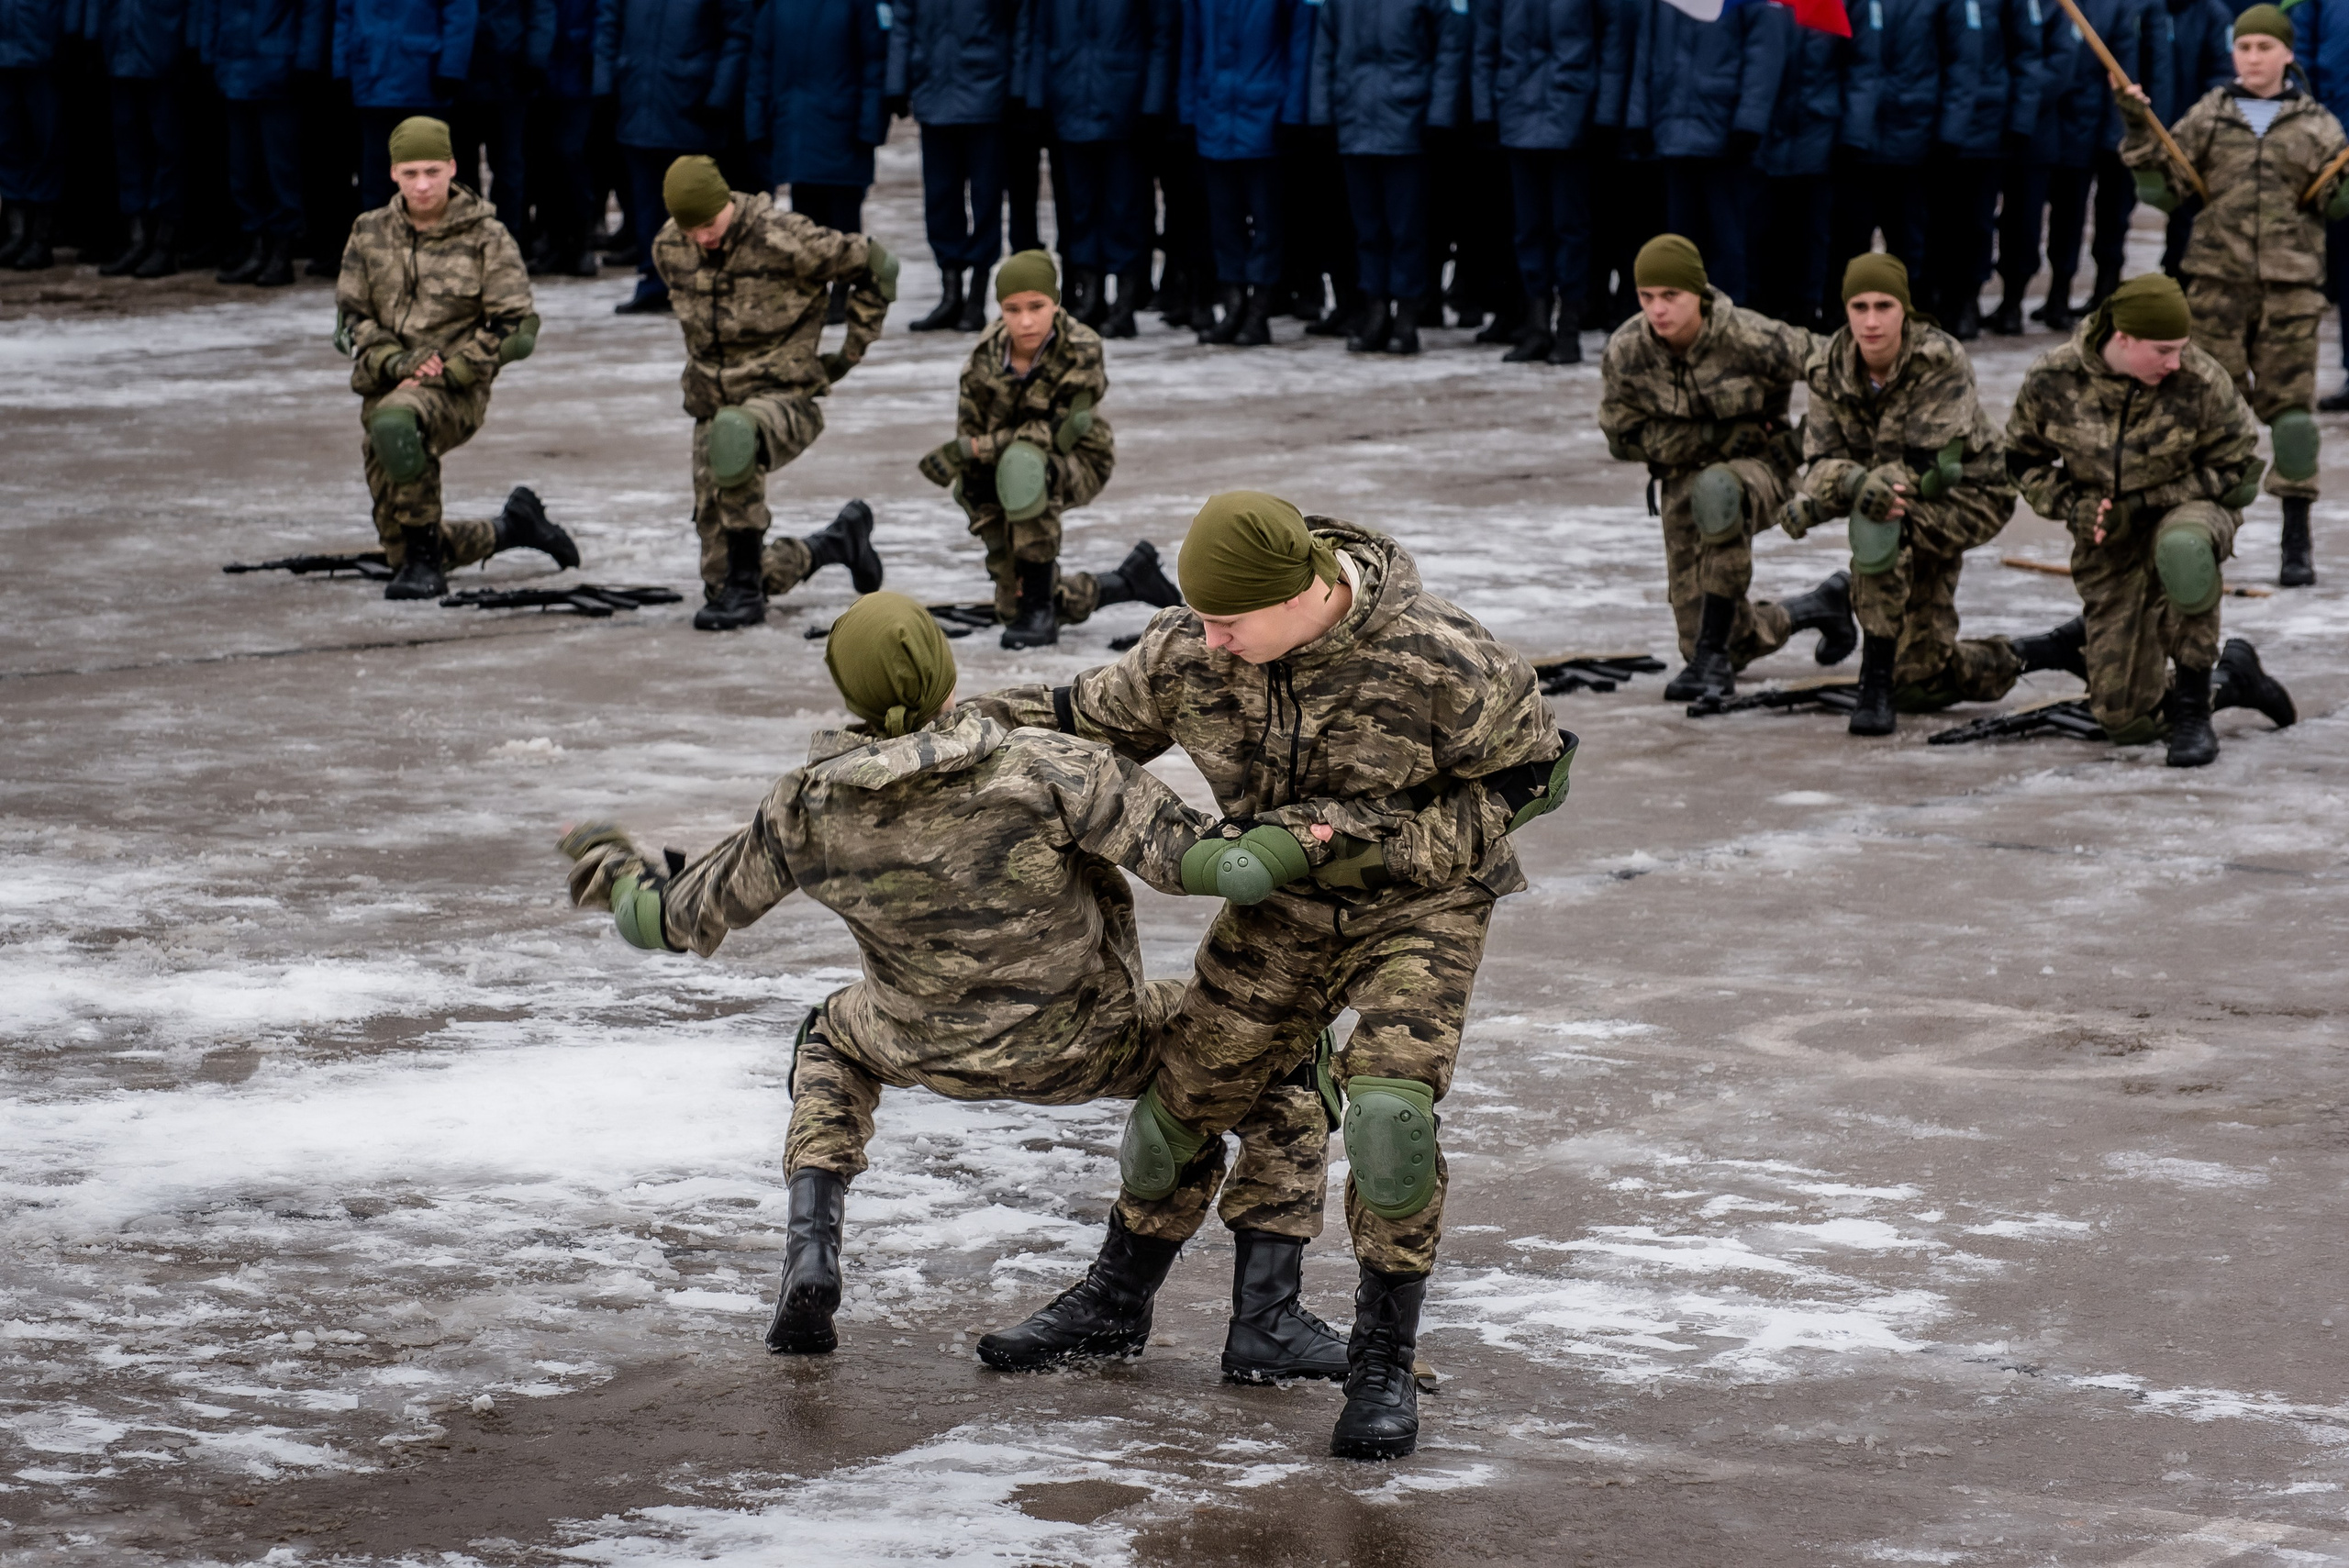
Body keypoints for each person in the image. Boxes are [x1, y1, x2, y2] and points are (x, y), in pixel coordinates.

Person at [557, 590, 1356, 1373]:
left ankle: (812, 1256)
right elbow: (1204, 863)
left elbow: (669, 920)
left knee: (831, 1041)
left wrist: (616, 866)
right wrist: (1325, 835)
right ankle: (1265, 1313)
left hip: (916, 1041)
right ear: (945, 678)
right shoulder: (1048, 768)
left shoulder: (805, 806)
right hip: (1092, 1043)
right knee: (1279, 1043)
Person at [964, 493, 1576, 1462]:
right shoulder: (1186, 651)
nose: (1206, 642)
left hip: (1421, 903)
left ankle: (1381, 1355)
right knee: (1178, 1107)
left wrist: (1388, 846)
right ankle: (1117, 1302)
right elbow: (1076, 716)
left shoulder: (1446, 655)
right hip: (1277, 907)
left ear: (1303, 594)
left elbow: (1534, 775)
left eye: (1227, 622)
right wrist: (925, 732)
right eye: (1197, 617)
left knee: (1388, 1115)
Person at [2005, 272, 2299, 765]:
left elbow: (2237, 470)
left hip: (2193, 511)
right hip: (2110, 537)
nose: (2175, 361)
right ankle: (2235, 679)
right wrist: (2074, 508)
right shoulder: (2054, 378)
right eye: (2163, 349)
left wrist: (2143, 504)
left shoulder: (2200, 379)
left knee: (2183, 550)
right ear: (2123, 338)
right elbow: (2020, 460)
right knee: (2126, 722)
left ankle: (2192, 710)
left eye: (2180, 348)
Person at [1783, 254, 2082, 735]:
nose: (1872, 320)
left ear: (1905, 310)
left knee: (1878, 519)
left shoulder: (1938, 358)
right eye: (1859, 306)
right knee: (1921, 681)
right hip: (1896, 497)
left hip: (1969, 495)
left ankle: (1874, 681)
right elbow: (1819, 461)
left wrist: (1851, 488)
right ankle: (2048, 650)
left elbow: (1929, 465)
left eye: (1885, 305)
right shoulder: (1827, 369)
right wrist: (1850, 484)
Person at [2121, 2, 2347, 587]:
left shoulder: (2319, 126)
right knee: (2207, 411)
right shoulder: (2209, 116)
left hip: (2291, 287)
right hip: (2216, 282)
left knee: (2292, 416)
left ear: (2287, 55)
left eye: (2264, 48)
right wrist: (2136, 125)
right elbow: (2163, 191)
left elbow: (2338, 206)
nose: (2252, 58)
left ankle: (2296, 540)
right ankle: (2202, 531)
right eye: (2244, 48)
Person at [1598, 234, 1855, 702]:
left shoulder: (1750, 336)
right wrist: (1707, 439)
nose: (1658, 310)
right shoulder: (1628, 350)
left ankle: (1713, 659)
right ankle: (1819, 605)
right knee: (1704, 639)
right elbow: (1622, 437)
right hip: (1681, 478)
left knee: (1719, 492)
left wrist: (1799, 444)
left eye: (1671, 296)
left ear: (1698, 292)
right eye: (1647, 297)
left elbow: (1839, 367)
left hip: (1761, 470)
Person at [334, 116, 581, 599]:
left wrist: (452, 369)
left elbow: (518, 328)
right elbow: (349, 320)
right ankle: (513, 528)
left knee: (397, 423)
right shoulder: (369, 232)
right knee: (397, 546)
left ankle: (428, 565)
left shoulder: (485, 236)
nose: (422, 185)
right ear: (392, 175)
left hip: (455, 389)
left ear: (452, 167)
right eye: (410, 174)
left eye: (431, 171)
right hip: (387, 382)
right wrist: (395, 362)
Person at [648, 155, 891, 631]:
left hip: (785, 396)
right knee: (722, 578)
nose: (702, 237)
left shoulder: (783, 237)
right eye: (690, 228)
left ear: (727, 205)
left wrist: (849, 352)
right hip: (713, 405)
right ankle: (835, 543)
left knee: (735, 433)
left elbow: (880, 264)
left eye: (709, 224)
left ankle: (745, 592)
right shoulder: (669, 248)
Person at [916, 250, 1182, 649]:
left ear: (1055, 302)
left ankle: (1041, 606)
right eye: (1013, 309)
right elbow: (970, 449)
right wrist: (1001, 556)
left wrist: (974, 448)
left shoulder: (1081, 347)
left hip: (1078, 458)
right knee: (1011, 603)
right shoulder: (981, 361)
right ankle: (1124, 581)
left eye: (1037, 306)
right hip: (1008, 466)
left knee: (1023, 467)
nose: (1025, 321)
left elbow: (1058, 433)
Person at [1309, 0, 1468, 355]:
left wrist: (1440, 115)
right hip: (1355, 121)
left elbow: (1449, 49)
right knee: (1368, 230)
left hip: (1408, 123)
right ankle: (1376, 311)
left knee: (1406, 230)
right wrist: (1320, 113)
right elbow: (1324, 52)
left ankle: (1406, 317)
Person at [1472, 0, 1620, 362]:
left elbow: (1613, 43)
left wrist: (1605, 113)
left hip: (1572, 113)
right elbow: (1485, 45)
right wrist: (1485, 111)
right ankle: (1536, 327)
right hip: (1518, 111)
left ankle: (1568, 328)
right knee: (1529, 228)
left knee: (1571, 228)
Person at [1626, 0, 1787, 310]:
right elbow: (1645, 50)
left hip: (1725, 134)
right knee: (1681, 241)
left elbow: (1762, 54)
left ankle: (1729, 321)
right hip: (1673, 129)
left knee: (1728, 239)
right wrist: (1638, 118)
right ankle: (1684, 322)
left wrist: (1748, 122)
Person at [1030, 0, 1175, 338]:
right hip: (1069, 104)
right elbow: (1041, 37)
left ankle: (1124, 303)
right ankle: (1089, 296)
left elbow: (1161, 39)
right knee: (1080, 210)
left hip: (1124, 108)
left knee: (1124, 210)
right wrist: (1035, 100)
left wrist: (1153, 104)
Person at [595, 0, 747, 314]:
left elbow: (738, 36)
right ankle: (654, 282)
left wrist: (719, 96)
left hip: (692, 105)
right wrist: (605, 85)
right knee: (647, 204)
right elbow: (608, 26)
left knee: (696, 207)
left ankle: (702, 286)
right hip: (638, 103)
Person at [1181, 0, 1314, 346]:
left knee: (1267, 223)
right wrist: (1188, 111)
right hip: (1215, 115)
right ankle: (1234, 305)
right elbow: (1191, 46)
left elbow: (1300, 49)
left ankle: (1259, 311)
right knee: (1225, 223)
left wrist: (1293, 112)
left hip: (1266, 116)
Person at [885, 0, 1008, 333]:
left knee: (985, 197)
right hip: (934, 90)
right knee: (941, 197)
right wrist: (896, 84)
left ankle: (977, 297)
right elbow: (902, 24)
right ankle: (950, 293)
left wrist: (1019, 87)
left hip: (987, 92)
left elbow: (1018, 25)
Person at [206, 0, 329, 284]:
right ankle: (257, 248)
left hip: (279, 71)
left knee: (280, 169)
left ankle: (281, 253)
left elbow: (312, 10)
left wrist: (307, 62)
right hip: (234, 70)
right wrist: (209, 55)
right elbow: (214, 10)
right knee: (242, 170)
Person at [336, 0, 478, 210]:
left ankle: (432, 237)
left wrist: (451, 69)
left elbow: (460, 14)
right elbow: (344, 16)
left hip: (422, 79)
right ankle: (376, 239)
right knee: (376, 174)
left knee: (427, 174)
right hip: (372, 78)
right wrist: (341, 69)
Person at [88, 0, 191, 279]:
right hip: (121, 52)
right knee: (129, 154)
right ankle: (137, 240)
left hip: (162, 52)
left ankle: (165, 243)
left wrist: (190, 45)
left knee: (167, 152)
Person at [0, 0, 64, 270]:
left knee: (45, 144)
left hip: (42, 49)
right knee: (7, 144)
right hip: (4, 52)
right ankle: (16, 233)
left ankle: (40, 236)